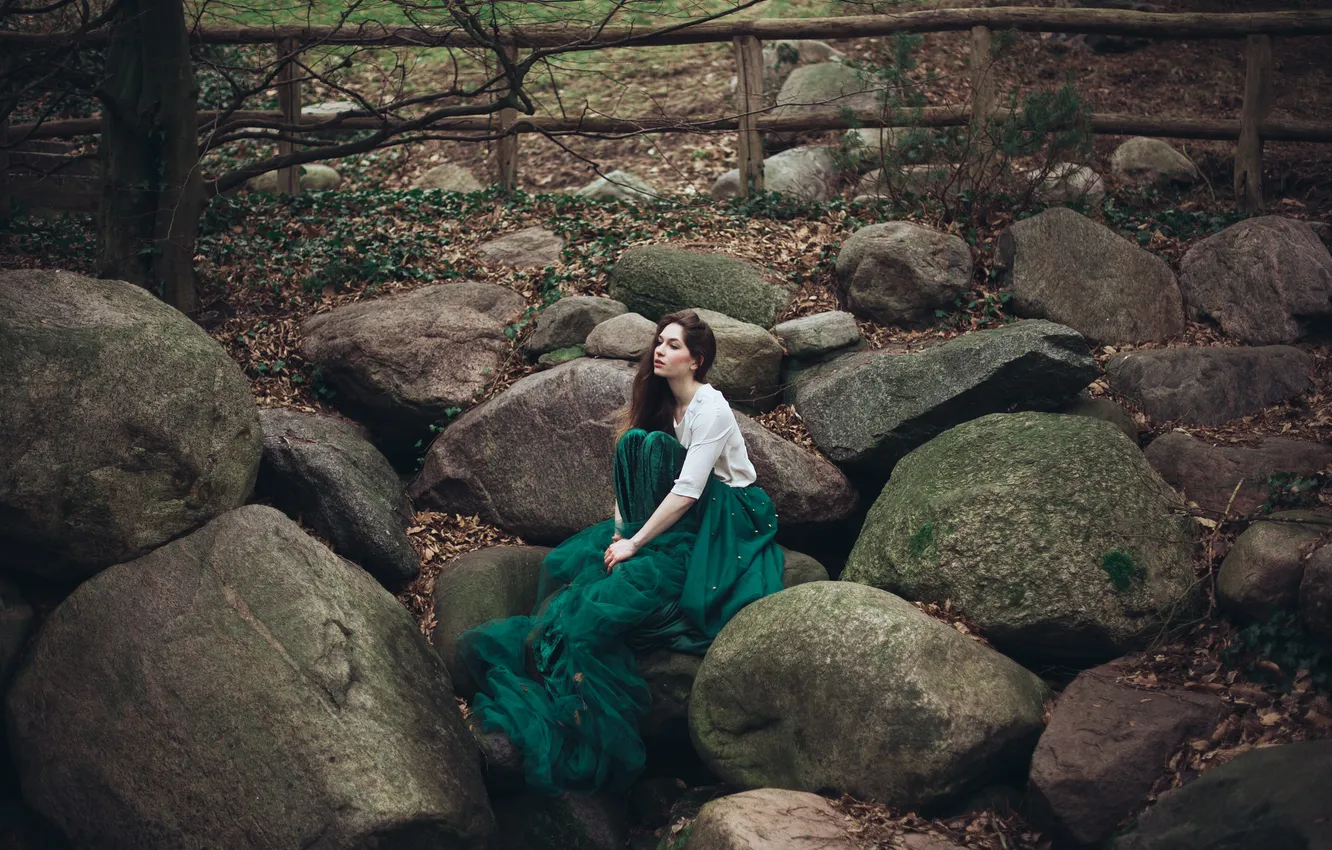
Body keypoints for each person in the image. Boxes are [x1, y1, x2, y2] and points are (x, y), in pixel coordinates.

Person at [458, 309, 785, 796]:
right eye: (659, 341)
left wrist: (636, 542)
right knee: (633, 447)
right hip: (684, 508)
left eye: (673, 345)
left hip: (729, 514)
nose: (660, 350)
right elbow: (630, 481)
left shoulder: (710, 408)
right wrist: (619, 534)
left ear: (696, 360)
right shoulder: (663, 402)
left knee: (643, 470)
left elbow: (688, 491)